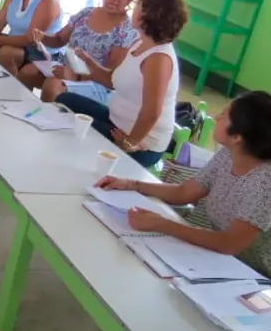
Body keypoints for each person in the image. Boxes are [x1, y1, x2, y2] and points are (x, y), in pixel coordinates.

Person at [96, 91, 271, 278]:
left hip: (252, 273)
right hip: (215, 254)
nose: (217, 117)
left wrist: (163, 225)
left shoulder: (264, 183)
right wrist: (132, 184)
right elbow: (185, 192)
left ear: (237, 137)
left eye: (224, 115)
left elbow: (229, 244)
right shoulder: (229, 154)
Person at [57, 0, 188, 167]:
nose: (134, 9)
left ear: (150, 15)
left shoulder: (159, 59)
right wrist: (88, 62)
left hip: (141, 142)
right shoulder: (139, 41)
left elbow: (152, 113)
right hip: (117, 120)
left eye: (139, 5)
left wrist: (129, 144)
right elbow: (113, 80)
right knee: (64, 100)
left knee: (69, 124)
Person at [25, 0, 140, 101]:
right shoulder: (86, 13)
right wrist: (42, 36)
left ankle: (45, 120)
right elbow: (59, 39)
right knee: (27, 72)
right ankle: (19, 112)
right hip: (66, 67)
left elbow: (111, 77)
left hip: (96, 84)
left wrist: (76, 76)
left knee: (53, 86)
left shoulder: (126, 30)